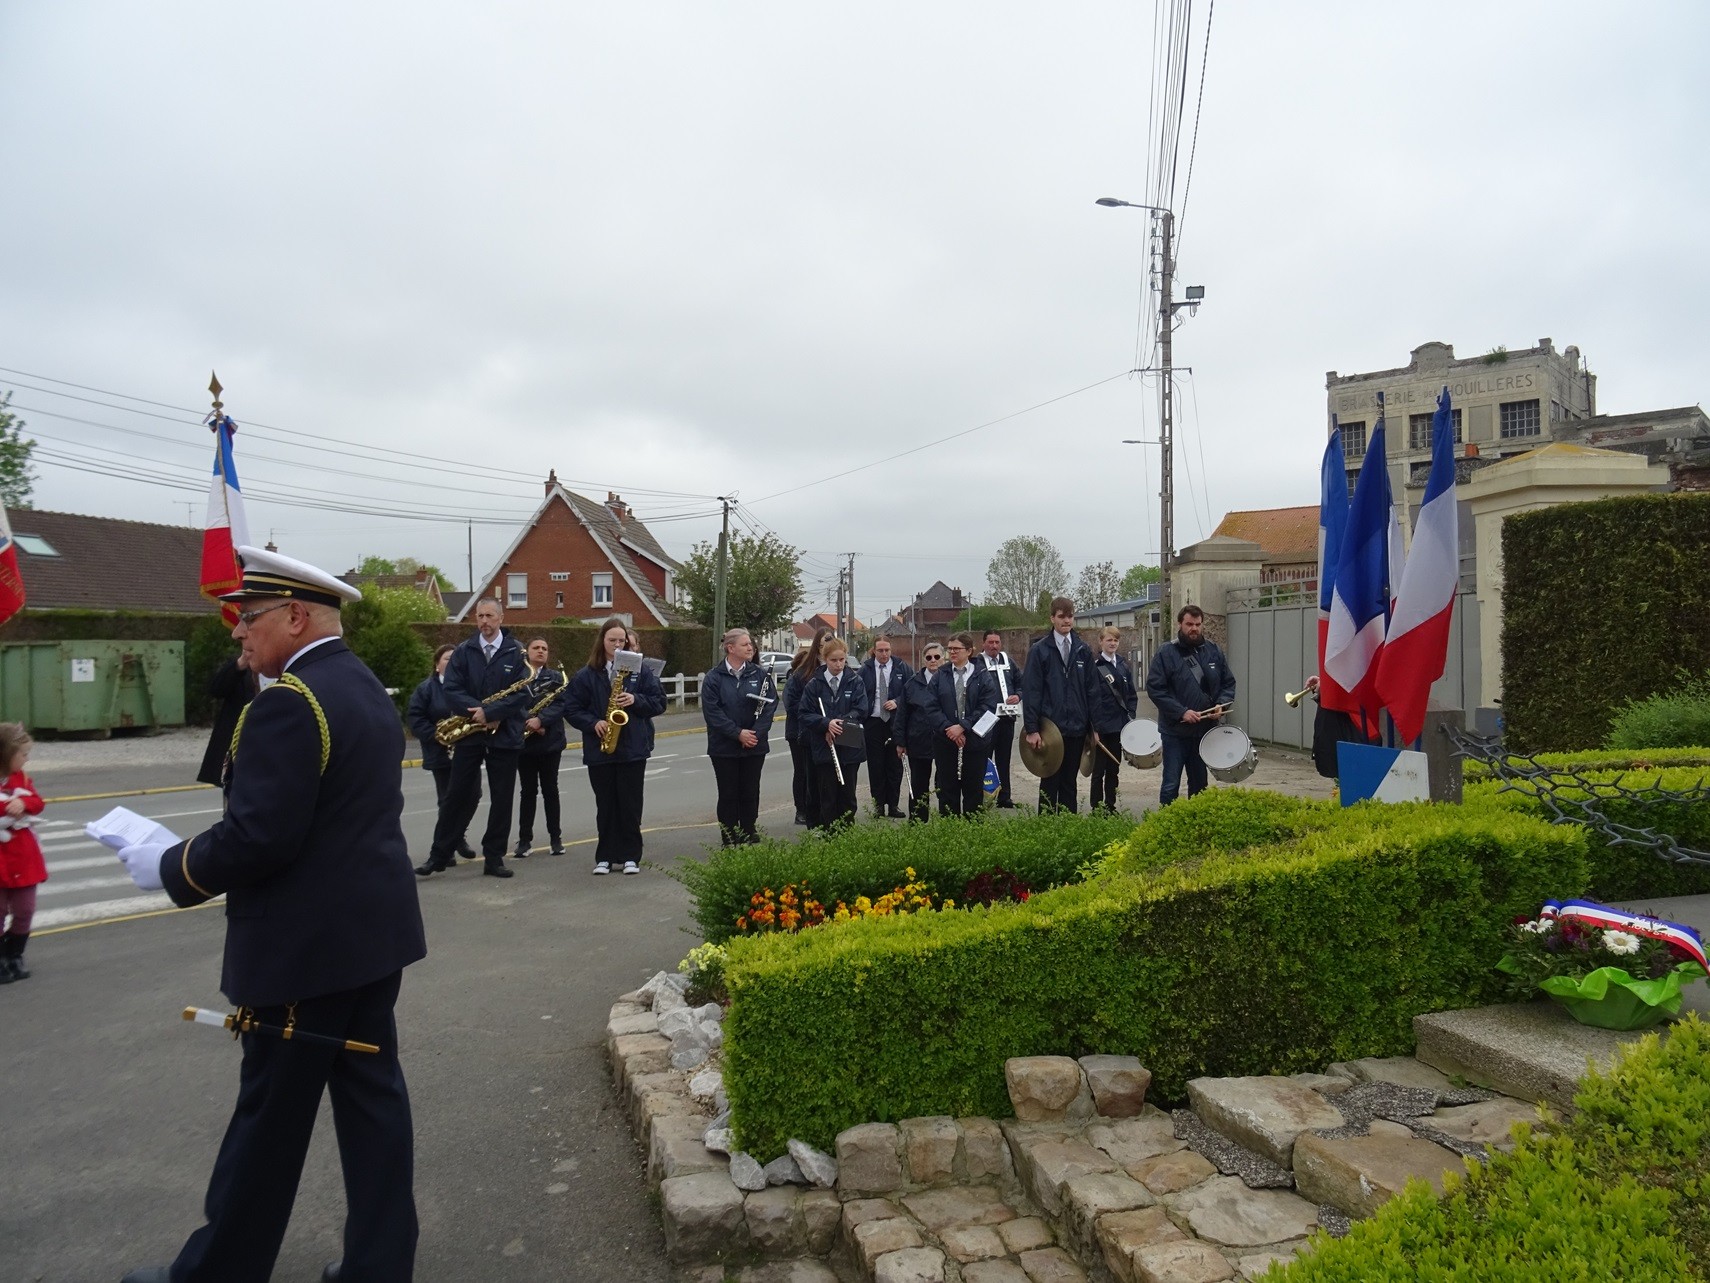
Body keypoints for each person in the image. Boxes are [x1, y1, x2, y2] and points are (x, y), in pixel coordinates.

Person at [115, 546, 426, 1283]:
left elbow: (260, 834)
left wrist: (170, 864)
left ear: (294, 615)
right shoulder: (357, 685)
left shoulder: (291, 700)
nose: (236, 632)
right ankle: (379, 1266)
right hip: (369, 939)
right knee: (372, 1104)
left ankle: (218, 1271)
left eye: (247, 616)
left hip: (302, 951)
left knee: (267, 1123)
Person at [415, 596, 535, 879]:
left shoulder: (516, 652)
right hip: (470, 733)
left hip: (504, 734)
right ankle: (439, 855)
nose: (484, 622)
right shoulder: (464, 651)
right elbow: (452, 689)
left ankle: (494, 858)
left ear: (501, 618)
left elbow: (522, 693)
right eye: (480, 616)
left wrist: (493, 712)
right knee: (456, 795)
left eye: (490, 616)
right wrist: (478, 713)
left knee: (502, 798)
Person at [564, 618, 667, 874]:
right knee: (606, 805)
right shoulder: (587, 674)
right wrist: (593, 723)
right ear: (603, 642)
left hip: (632, 749)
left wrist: (635, 699)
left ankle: (631, 856)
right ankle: (605, 857)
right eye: (613, 640)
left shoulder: (640, 671)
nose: (618, 645)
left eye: (622, 640)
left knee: (630, 805)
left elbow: (659, 702)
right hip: (601, 750)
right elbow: (571, 708)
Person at [1146, 604, 1238, 806]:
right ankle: (1167, 826)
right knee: (1171, 784)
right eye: (1189, 624)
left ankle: (1194, 828)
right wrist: (1181, 712)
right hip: (1175, 732)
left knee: (1199, 785)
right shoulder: (1166, 652)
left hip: (1204, 732)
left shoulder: (1214, 651)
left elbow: (1228, 683)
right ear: (1180, 624)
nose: (1194, 628)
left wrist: (1220, 705)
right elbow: (1155, 689)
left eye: (1197, 624)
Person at [701, 627, 777, 845]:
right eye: (745, 644)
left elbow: (770, 705)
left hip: (754, 745)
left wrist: (755, 734)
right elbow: (712, 712)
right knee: (728, 793)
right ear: (730, 648)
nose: (750, 648)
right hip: (724, 747)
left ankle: (748, 830)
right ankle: (729, 835)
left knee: (750, 791)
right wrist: (737, 734)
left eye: (751, 645)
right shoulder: (714, 677)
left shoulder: (759, 674)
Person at [1022, 597, 1098, 812]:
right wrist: (1032, 729)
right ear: (1052, 618)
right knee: (1049, 783)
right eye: (1061, 616)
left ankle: (1067, 830)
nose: (1066, 621)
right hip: (1049, 730)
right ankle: (1046, 833)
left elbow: (1092, 691)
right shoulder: (1039, 651)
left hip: (1076, 727)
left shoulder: (1083, 650)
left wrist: (1094, 729)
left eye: (1070, 616)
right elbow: (1031, 691)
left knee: (1069, 783)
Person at [404, 644, 479, 862]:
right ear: (437, 665)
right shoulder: (426, 689)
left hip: (467, 752)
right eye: (447, 658)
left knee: (473, 796)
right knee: (447, 801)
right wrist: (436, 735)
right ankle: (448, 846)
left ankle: (457, 837)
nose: (452, 662)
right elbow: (415, 718)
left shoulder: (468, 687)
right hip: (441, 753)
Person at [798, 637, 867, 829]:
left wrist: (841, 724)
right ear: (824, 659)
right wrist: (825, 723)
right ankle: (830, 834)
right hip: (824, 746)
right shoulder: (814, 684)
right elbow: (804, 713)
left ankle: (846, 833)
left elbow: (861, 709)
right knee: (828, 795)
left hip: (849, 744)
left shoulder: (855, 681)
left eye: (842, 660)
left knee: (847, 795)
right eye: (833, 660)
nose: (838, 664)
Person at [931, 632, 999, 816]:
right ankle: (950, 833)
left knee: (973, 792)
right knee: (947, 791)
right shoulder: (940, 675)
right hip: (946, 741)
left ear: (969, 651)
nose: (952, 652)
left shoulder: (982, 675)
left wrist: (963, 726)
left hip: (975, 742)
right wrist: (949, 729)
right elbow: (931, 706)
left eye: (956, 649)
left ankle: (972, 834)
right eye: (949, 648)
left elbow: (988, 706)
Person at [514, 637, 570, 859]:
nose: (540, 651)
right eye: (536, 648)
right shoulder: (517, 677)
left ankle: (555, 839)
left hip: (549, 743)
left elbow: (562, 704)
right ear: (527, 652)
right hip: (524, 742)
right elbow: (511, 704)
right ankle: (524, 840)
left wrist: (542, 721)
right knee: (527, 792)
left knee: (550, 790)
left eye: (544, 648)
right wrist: (528, 721)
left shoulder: (556, 678)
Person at [0, 724, 46, 984]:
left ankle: (15, 952)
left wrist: (24, 802)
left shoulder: (23, 779)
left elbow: (38, 803)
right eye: (22, 754)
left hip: (23, 857)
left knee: (25, 909)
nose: (26, 759)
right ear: (6, 755)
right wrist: (7, 805)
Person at [857, 637, 911, 818]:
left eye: (887, 650)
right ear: (874, 651)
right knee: (876, 766)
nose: (884, 654)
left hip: (894, 721)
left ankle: (893, 805)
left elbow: (911, 692)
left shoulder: (901, 668)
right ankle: (878, 805)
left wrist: (897, 702)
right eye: (880, 650)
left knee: (895, 765)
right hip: (873, 722)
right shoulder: (865, 670)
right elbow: (860, 694)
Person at [782, 631, 831, 826]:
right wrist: (812, 719)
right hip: (801, 731)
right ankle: (802, 809)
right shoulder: (803, 673)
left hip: (826, 730)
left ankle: (823, 810)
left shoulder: (835, 669)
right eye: (823, 643)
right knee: (803, 771)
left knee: (823, 772)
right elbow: (791, 702)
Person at [892, 641, 945, 822]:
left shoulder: (949, 681)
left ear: (943, 659)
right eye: (929, 657)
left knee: (945, 783)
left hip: (944, 739)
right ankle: (918, 820)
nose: (933, 660)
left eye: (937, 657)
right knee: (918, 784)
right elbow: (902, 715)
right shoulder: (912, 684)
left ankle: (948, 818)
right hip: (918, 740)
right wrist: (900, 741)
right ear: (923, 660)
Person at [1089, 626, 1139, 812]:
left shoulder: (1123, 666)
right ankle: (1096, 807)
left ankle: (1110, 805)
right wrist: (1093, 728)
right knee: (1098, 770)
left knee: (1114, 769)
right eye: (1109, 640)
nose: (1112, 643)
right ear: (1101, 641)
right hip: (1101, 728)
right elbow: (1091, 699)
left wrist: (1131, 715)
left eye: (1115, 640)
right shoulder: (1095, 668)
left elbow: (1131, 696)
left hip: (1119, 727)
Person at [197, 651, 259, 787]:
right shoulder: (239, 665)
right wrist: (240, 664)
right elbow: (216, 689)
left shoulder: (284, 665)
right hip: (237, 744)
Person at [979, 629, 1023, 808]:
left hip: (1007, 718)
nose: (994, 646)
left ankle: (1004, 797)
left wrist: (1018, 696)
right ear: (983, 643)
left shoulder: (1008, 661)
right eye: (990, 642)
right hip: (986, 720)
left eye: (997, 642)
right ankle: (984, 796)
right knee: (984, 759)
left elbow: (1021, 683)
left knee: (1004, 759)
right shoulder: (977, 663)